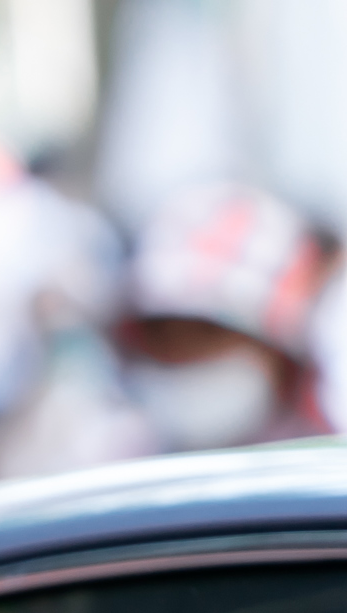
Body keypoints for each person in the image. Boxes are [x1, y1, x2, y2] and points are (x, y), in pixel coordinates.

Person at [112, 180, 332, 451]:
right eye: (163, 332)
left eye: (209, 331)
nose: (185, 353)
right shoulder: (121, 459)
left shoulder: (326, 456)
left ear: (277, 349)